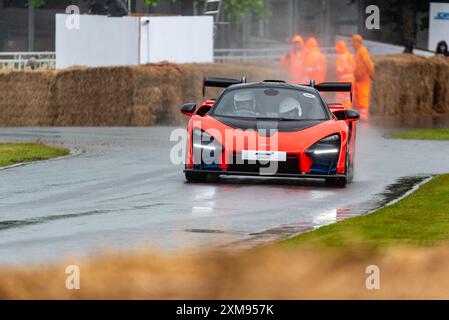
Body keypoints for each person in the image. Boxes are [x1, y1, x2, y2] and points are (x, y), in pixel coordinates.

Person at [351, 34, 375, 120]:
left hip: (363, 79)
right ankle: (359, 116)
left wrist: (371, 75)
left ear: (357, 42)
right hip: (358, 79)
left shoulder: (362, 51)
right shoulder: (358, 52)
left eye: (353, 42)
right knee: (358, 97)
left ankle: (363, 116)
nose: (352, 44)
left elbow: (369, 64)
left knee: (363, 97)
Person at [335, 40, 355, 108]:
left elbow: (339, 70)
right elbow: (355, 67)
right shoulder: (350, 56)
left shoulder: (341, 57)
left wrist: (336, 73)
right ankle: (349, 111)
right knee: (348, 98)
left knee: (340, 98)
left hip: (343, 80)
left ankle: (341, 112)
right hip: (351, 79)